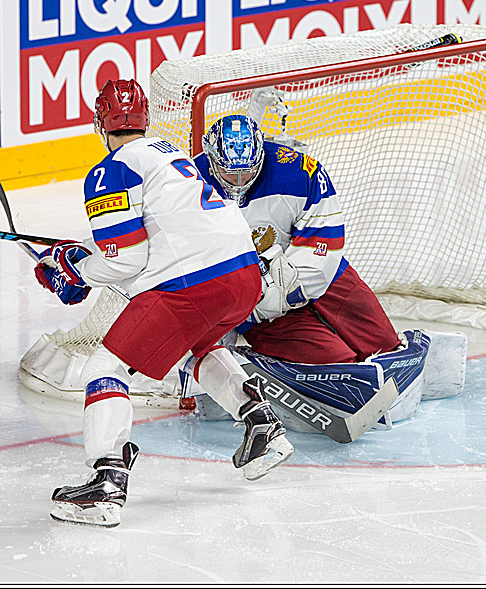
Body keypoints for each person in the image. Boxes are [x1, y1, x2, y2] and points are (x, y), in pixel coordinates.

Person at [32, 79, 294, 528]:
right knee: (197, 347)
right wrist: (78, 259)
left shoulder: (112, 169)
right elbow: (150, 249)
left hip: (197, 283)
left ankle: (105, 484)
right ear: (146, 119)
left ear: (100, 122)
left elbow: (124, 260)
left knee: (104, 369)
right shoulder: (172, 155)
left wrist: (73, 271)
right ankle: (263, 428)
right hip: (245, 274)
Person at [192, 95, 464, 431]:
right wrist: (246, 306)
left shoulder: (299, 172)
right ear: (210, 157)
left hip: (323, 280)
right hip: (258, 304)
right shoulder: (188, 186)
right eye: (229, 173)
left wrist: (284, 287)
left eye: (248, 170)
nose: (239, 182)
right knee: (339, 367)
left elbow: (324, 246)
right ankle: (253, 368)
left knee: (384, 345)